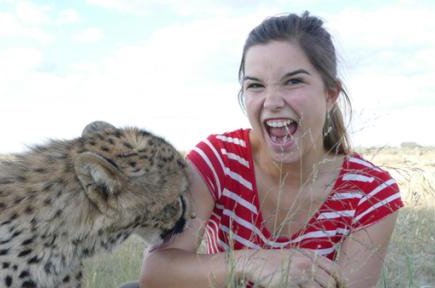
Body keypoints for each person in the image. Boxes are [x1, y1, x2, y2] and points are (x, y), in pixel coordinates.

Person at [134, 11, 403, 288]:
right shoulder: (218, 160)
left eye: (293, 81)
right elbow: (156, 271)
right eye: (255, 85)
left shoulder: (371, 192)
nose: (272, 101)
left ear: (330, 94)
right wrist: (253, 262)